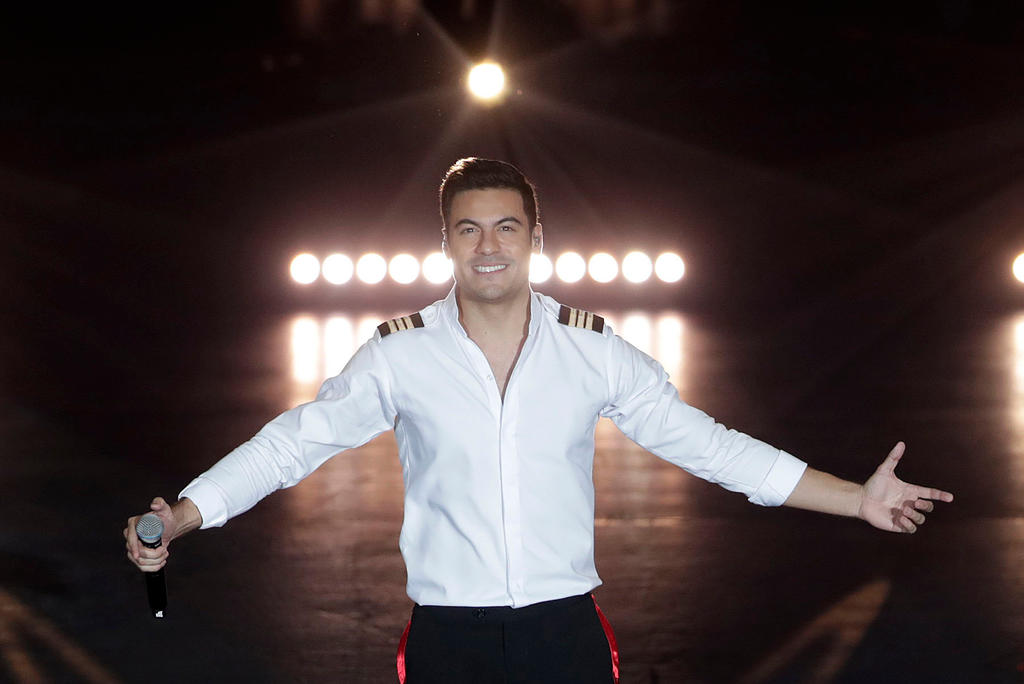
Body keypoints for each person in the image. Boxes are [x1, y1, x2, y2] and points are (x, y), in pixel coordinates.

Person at [124, 157, 954, 683]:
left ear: (535, 237)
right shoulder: (398, 354)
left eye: (506, 227)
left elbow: (711, 447)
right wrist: (186, 514)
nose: (488, 245)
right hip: (448, 637)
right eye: (469, 229)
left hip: (565, 633)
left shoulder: (591, 349)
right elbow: (292, 445)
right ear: (446, 242)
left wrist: (857, 500)